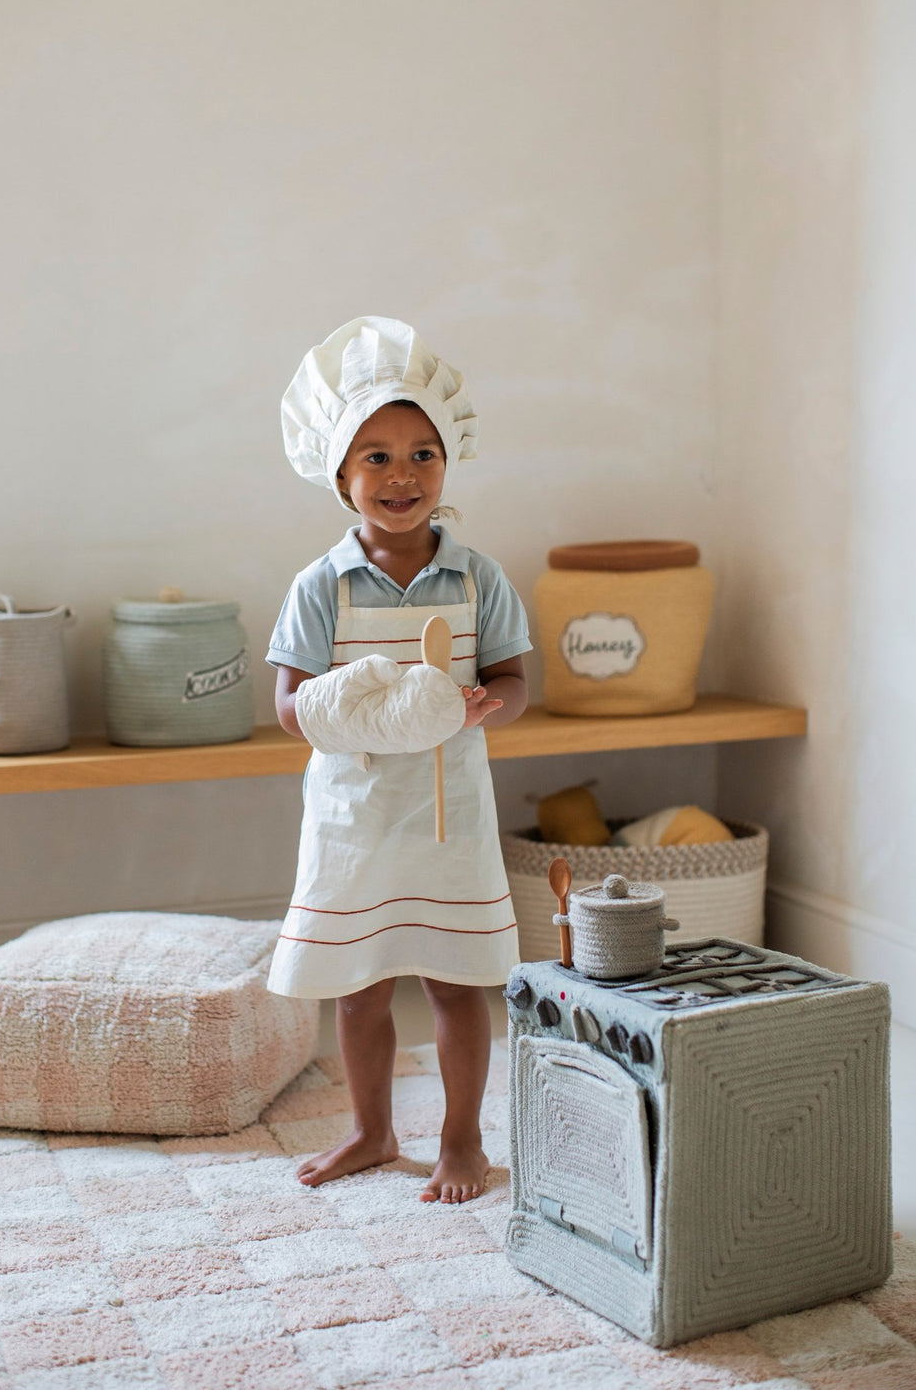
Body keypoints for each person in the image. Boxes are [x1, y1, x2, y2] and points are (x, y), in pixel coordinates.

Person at [266, 317, 531, 1204]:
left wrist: (487, 706)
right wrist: (348, 705)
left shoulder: (478, 579)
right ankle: (371, 1130)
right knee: (360, 988)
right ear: (340, 474)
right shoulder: (321, 586)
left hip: (450, 810)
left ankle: (462, 1140)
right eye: (375, 457)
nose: (401, 474)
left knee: (455, 987)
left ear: (448, 463)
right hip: (355, 811)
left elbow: (513, 681)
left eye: (423, 453)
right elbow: (291, 705)